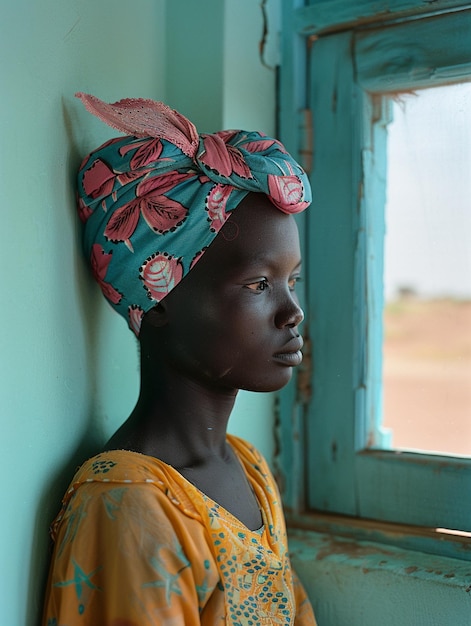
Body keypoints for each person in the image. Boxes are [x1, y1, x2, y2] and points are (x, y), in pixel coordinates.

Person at [42, 93, 316, 625]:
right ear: (160, 298)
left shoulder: (249, 469)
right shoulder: (127, 505)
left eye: (292, 281)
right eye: (260, 284)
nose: (293, 313)